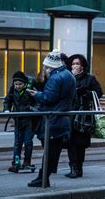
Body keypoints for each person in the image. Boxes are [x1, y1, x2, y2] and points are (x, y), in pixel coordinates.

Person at [26, 49, 76, 187]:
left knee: (49, 152)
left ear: (51, 65)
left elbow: (48, 98)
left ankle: (43, 179)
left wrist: (35, 94)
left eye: (46, 66)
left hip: (53, 119)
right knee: (53, 152)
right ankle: (43, 178)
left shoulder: (55, 78)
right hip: (63, 118)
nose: (45, 69)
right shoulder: (69, 75)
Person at [64, 54, 103, 178]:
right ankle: (73, 168)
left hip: (83, 116)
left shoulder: (90, 78)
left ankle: (79, 168)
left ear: (83, 66)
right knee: (70, 143)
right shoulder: (67, 77)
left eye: (78, 63)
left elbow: (99, 93)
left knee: (80, 144)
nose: (75, 66)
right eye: (73, 63)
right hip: (70, 114)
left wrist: (86, 92)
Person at [4, 71, 37, 173]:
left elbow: (38, 102)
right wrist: (6, 109)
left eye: (20, 84)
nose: (18, 86)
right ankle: (16, 163)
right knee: (17, 143)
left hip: (29, 121)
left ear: (25, 84)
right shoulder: (12, 90)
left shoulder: (30, 91)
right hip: (18, 120)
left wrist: (32, 109)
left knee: (28, 142)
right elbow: (7, 100)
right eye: (16, 84)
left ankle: (27, 162)